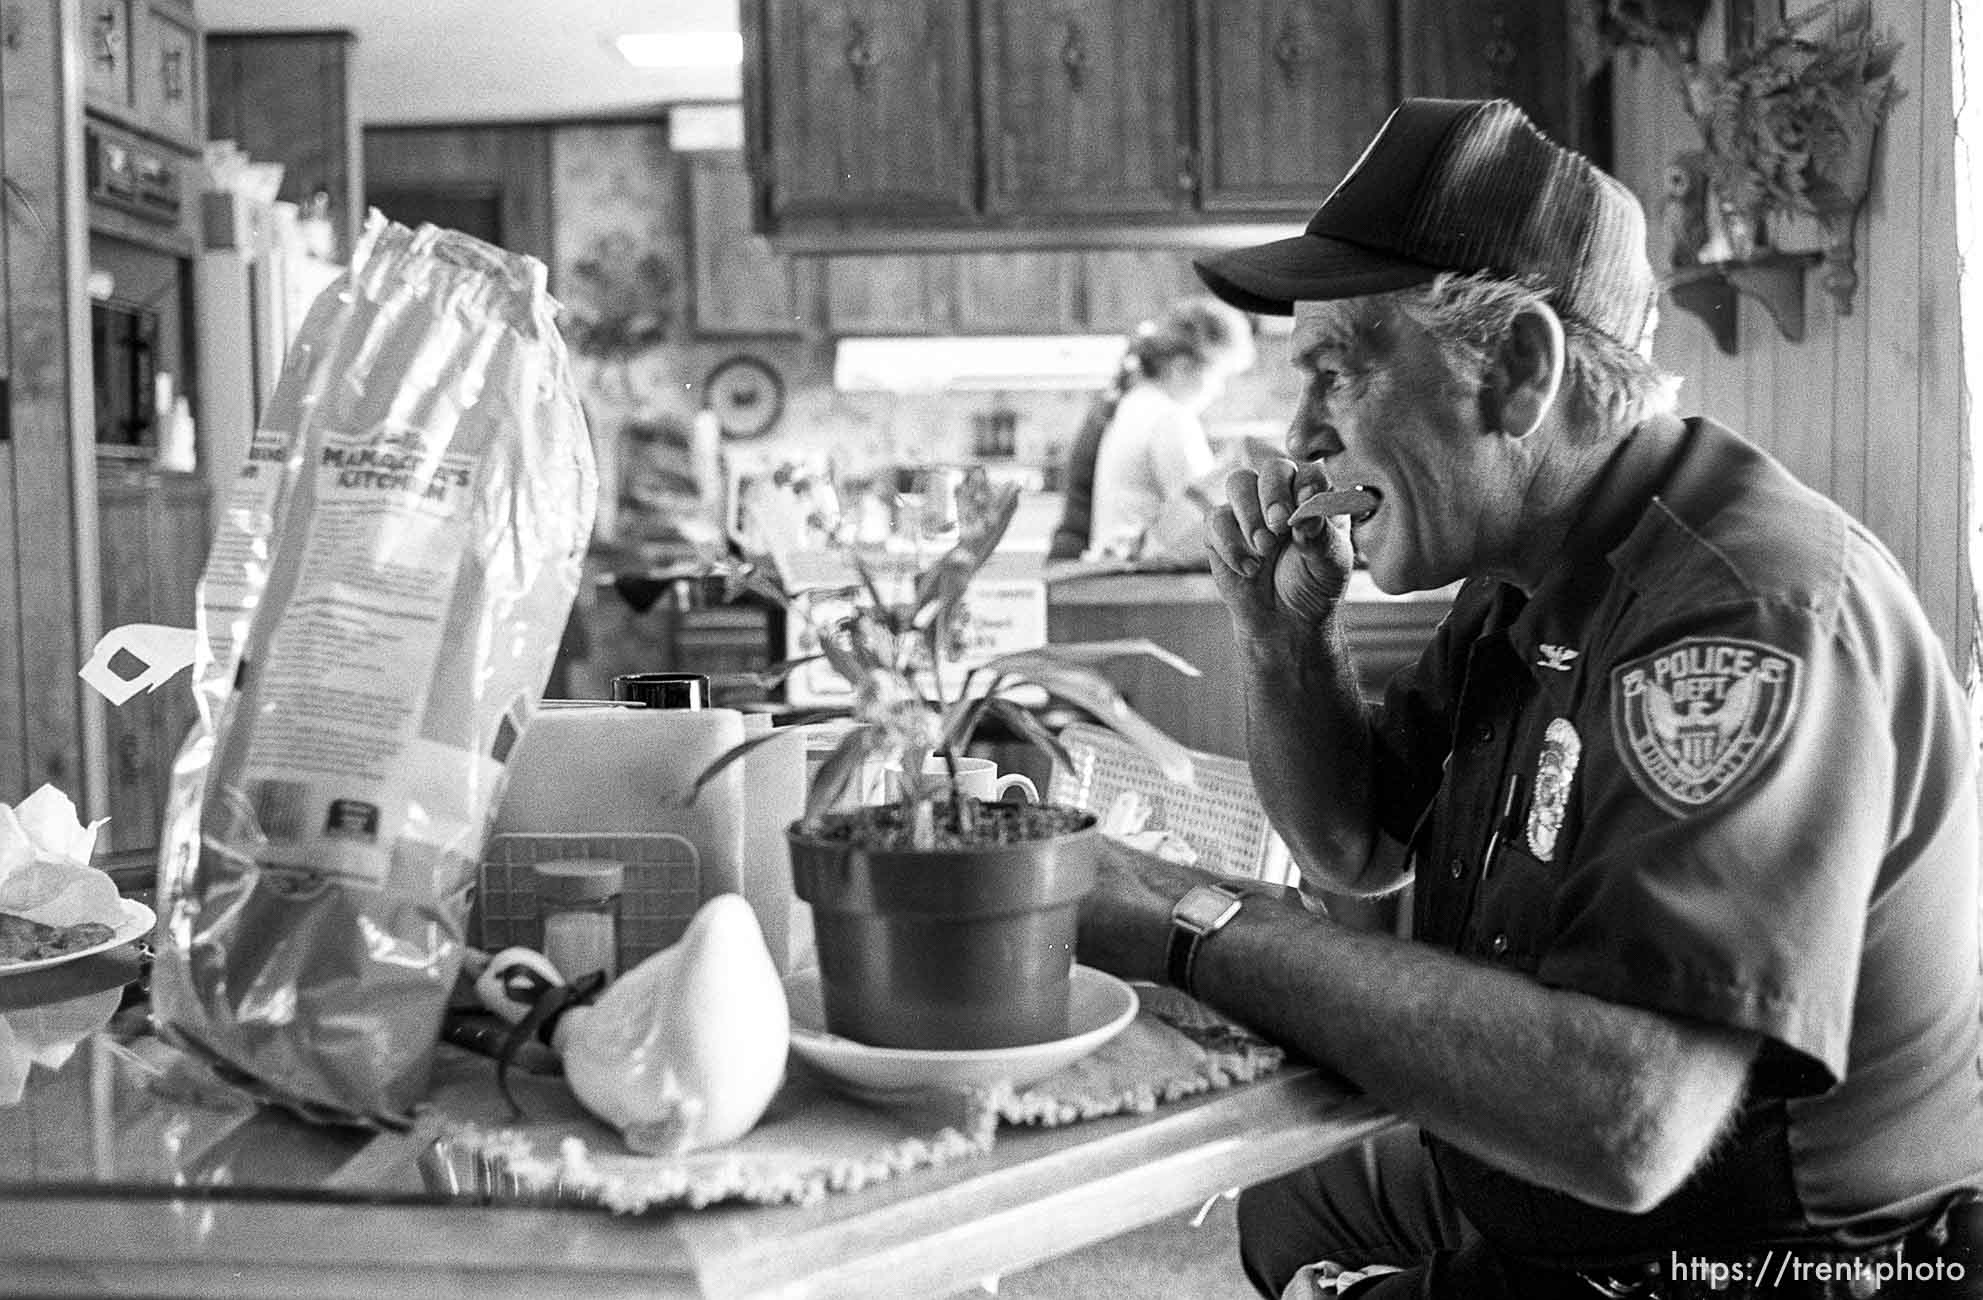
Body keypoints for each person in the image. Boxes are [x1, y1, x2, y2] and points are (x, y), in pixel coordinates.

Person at [1075, 97, 1983, 1298]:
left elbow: (1631, 1120)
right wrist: (1283, 636)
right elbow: (1353, 844)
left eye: (1337, 373)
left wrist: (1191, 925)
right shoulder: (1529, 574)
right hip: (1568, 1187)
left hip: (1758, 1259)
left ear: (1515, 373)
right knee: (1284, 1216)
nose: (1295, 438)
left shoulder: (1744, 614)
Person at [1047, 296, 1255, 564]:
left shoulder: (1133, 404)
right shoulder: (1170, 419)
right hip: (1150, 581)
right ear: (1183, 366)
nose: (1219, 391)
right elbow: (1210, 521)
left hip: (1116, 574)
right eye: (1219, 375)